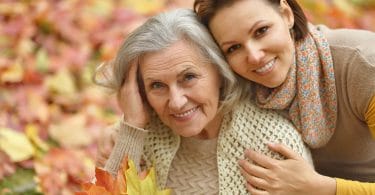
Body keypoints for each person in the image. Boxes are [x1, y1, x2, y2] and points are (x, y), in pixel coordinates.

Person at [95, 8, 312, 194]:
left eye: (188, 77)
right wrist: (132, 126)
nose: (177, 102)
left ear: (220, 71)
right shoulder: (137, 137)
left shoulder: (273, 142)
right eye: (157, 86)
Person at [193, 0, 375, 194]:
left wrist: (319, 187)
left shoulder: (363, 66)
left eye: (261, 31)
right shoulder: (238, 86)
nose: (254, 56)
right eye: (234, 48)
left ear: (287, 14)